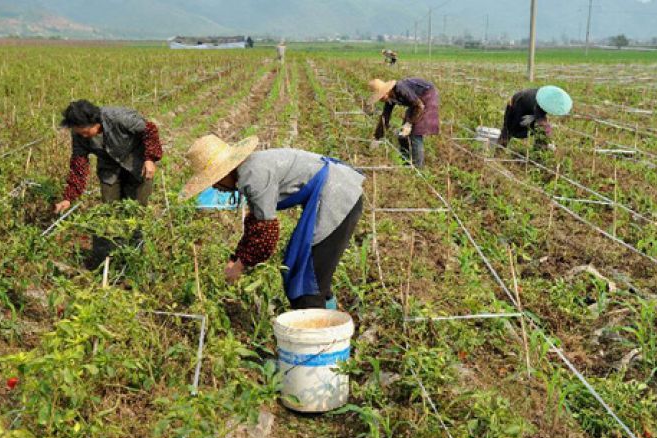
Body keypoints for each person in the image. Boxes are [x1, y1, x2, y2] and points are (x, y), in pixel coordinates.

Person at [180, 135, 364, 310]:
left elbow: (267, 233)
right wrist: (236, 257)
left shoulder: (253, 176)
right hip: (333, 191)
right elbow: (255, 223)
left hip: (338, 196)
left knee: (308, 278)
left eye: (215, 180)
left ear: (225, 172)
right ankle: (327, 313)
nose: (215, 187)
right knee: (308, 268)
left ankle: (322, 335)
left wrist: (239, 266)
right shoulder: (248, 170)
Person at [54, 99, 163, 267]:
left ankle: (135, 260)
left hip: (137, 165)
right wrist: (69, 197)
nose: (82, 135)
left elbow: (149, 130)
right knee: (110, 212)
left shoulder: (118, 118)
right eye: (78, 132)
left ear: (94, 122)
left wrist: (150, 158)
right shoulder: (79, 135)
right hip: (110, 171)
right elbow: (79, 164)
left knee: (136, 212)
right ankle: (112, 259)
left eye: (84, 131)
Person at [368, 77, 439, 168]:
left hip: (427, 96)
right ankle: (406, 160)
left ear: (386, 91)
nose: (381, 99)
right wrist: (377, 137)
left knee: (415, 132)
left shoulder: (400, 89)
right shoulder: (390, 98)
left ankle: (418, 168)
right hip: (416, 103)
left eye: (380, 96)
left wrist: (409, 124)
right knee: (402, 134)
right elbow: (385, 117)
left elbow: (419, 106)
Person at [497, 85, 572, 150]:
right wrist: (549, 140)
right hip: (516, 103)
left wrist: (534, 118)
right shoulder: (541, 103)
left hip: (527, 104)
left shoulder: (546, 100)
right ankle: (499, 152)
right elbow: (542, 124)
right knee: (508, 129)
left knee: (539, 130)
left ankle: (538, 151)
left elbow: (541, 119)